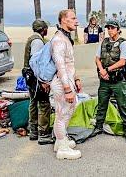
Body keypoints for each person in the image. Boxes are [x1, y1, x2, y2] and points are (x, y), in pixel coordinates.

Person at [91, 20, 126, 143]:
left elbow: (123, 61)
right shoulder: (104, 42)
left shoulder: (123, 43)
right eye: (108, 28)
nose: (110, 30)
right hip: (105, 80)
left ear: (118, 29)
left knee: (123, 105)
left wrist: (107, 70)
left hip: (118, 81)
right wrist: (101, 71)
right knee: (102, 104)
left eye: (112, 28)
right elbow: (97, 58)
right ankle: (98, 127)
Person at [50, 9, 82, 160]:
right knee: (62, 115)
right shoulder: (58, 40)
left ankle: (60, 141)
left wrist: (76, 79)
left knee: (63, 113)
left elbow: (70, 64)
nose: (76, 21)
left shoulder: (65, 38)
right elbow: (61, 66)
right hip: (62, 83)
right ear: (63, 20)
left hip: (68, 81)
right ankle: (62, 149)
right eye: (73, 18)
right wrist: (68, 89)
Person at [23, 19, 53, 145]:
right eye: (46, 28)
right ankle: (43, 134)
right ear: (43, 29)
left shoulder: (32, 38)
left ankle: (33, 131)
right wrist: (43, 81)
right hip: (36, 77)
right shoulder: (37, 41)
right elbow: (37, 62)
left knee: (33, 102)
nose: (47, 30)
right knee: (44, 104)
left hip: (30, 75)